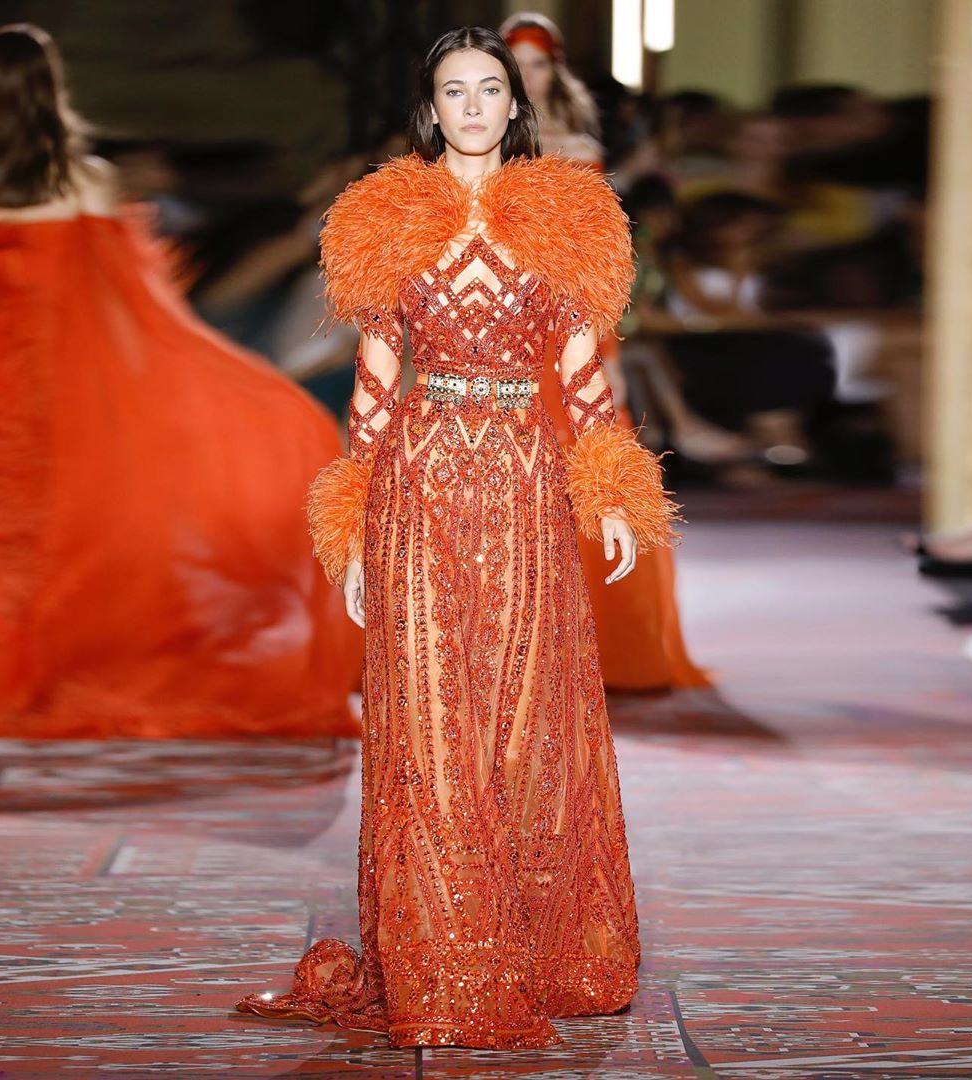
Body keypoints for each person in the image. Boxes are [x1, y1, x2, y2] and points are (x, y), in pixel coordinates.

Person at [234, 27, 679, 1048]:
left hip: (525, 484)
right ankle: (443, 964)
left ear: (513, 107)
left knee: (525, 714)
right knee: (425, 715)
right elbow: (378, 379)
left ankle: (536, 948)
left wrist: (609, 488)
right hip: (418, 488)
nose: (474, 107)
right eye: (454, 91)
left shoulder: (567, 213)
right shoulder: (386, 215)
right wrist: (351, 523)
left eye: (491, 90)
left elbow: (581, 368)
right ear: (431, 110)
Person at [0, 25, 361, 738]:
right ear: (51, 88)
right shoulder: (86, 177)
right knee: (72, 534)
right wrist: (211, 372)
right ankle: (48, 665)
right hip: (68, 383)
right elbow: (130, 301)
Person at [501, 11, 709, 690]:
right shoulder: (465, 142)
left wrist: (605, 360)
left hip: (560, 330)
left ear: (551, 72)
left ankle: (579, 647)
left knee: (577, 473)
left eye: (535, 65)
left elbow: (596, 262)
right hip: (485, 327)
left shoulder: (574, 149)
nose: (524, 77)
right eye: (513, 64)